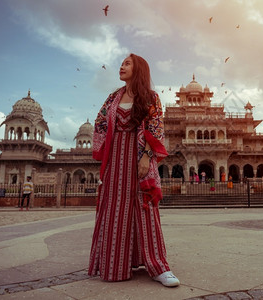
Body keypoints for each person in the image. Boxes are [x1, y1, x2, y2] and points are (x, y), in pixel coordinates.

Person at [88, 53, 179, 287]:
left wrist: (146, 157)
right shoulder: (112, 98)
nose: (121, 66)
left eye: (127, 63)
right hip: (115, 158)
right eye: (121, 63)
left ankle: (158, 265)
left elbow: (155, 126)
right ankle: (115, 264)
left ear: (138, 68)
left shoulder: (150, 97)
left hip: (138, 155)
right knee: (115, 208)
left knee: (144, 206)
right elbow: (100, 123)